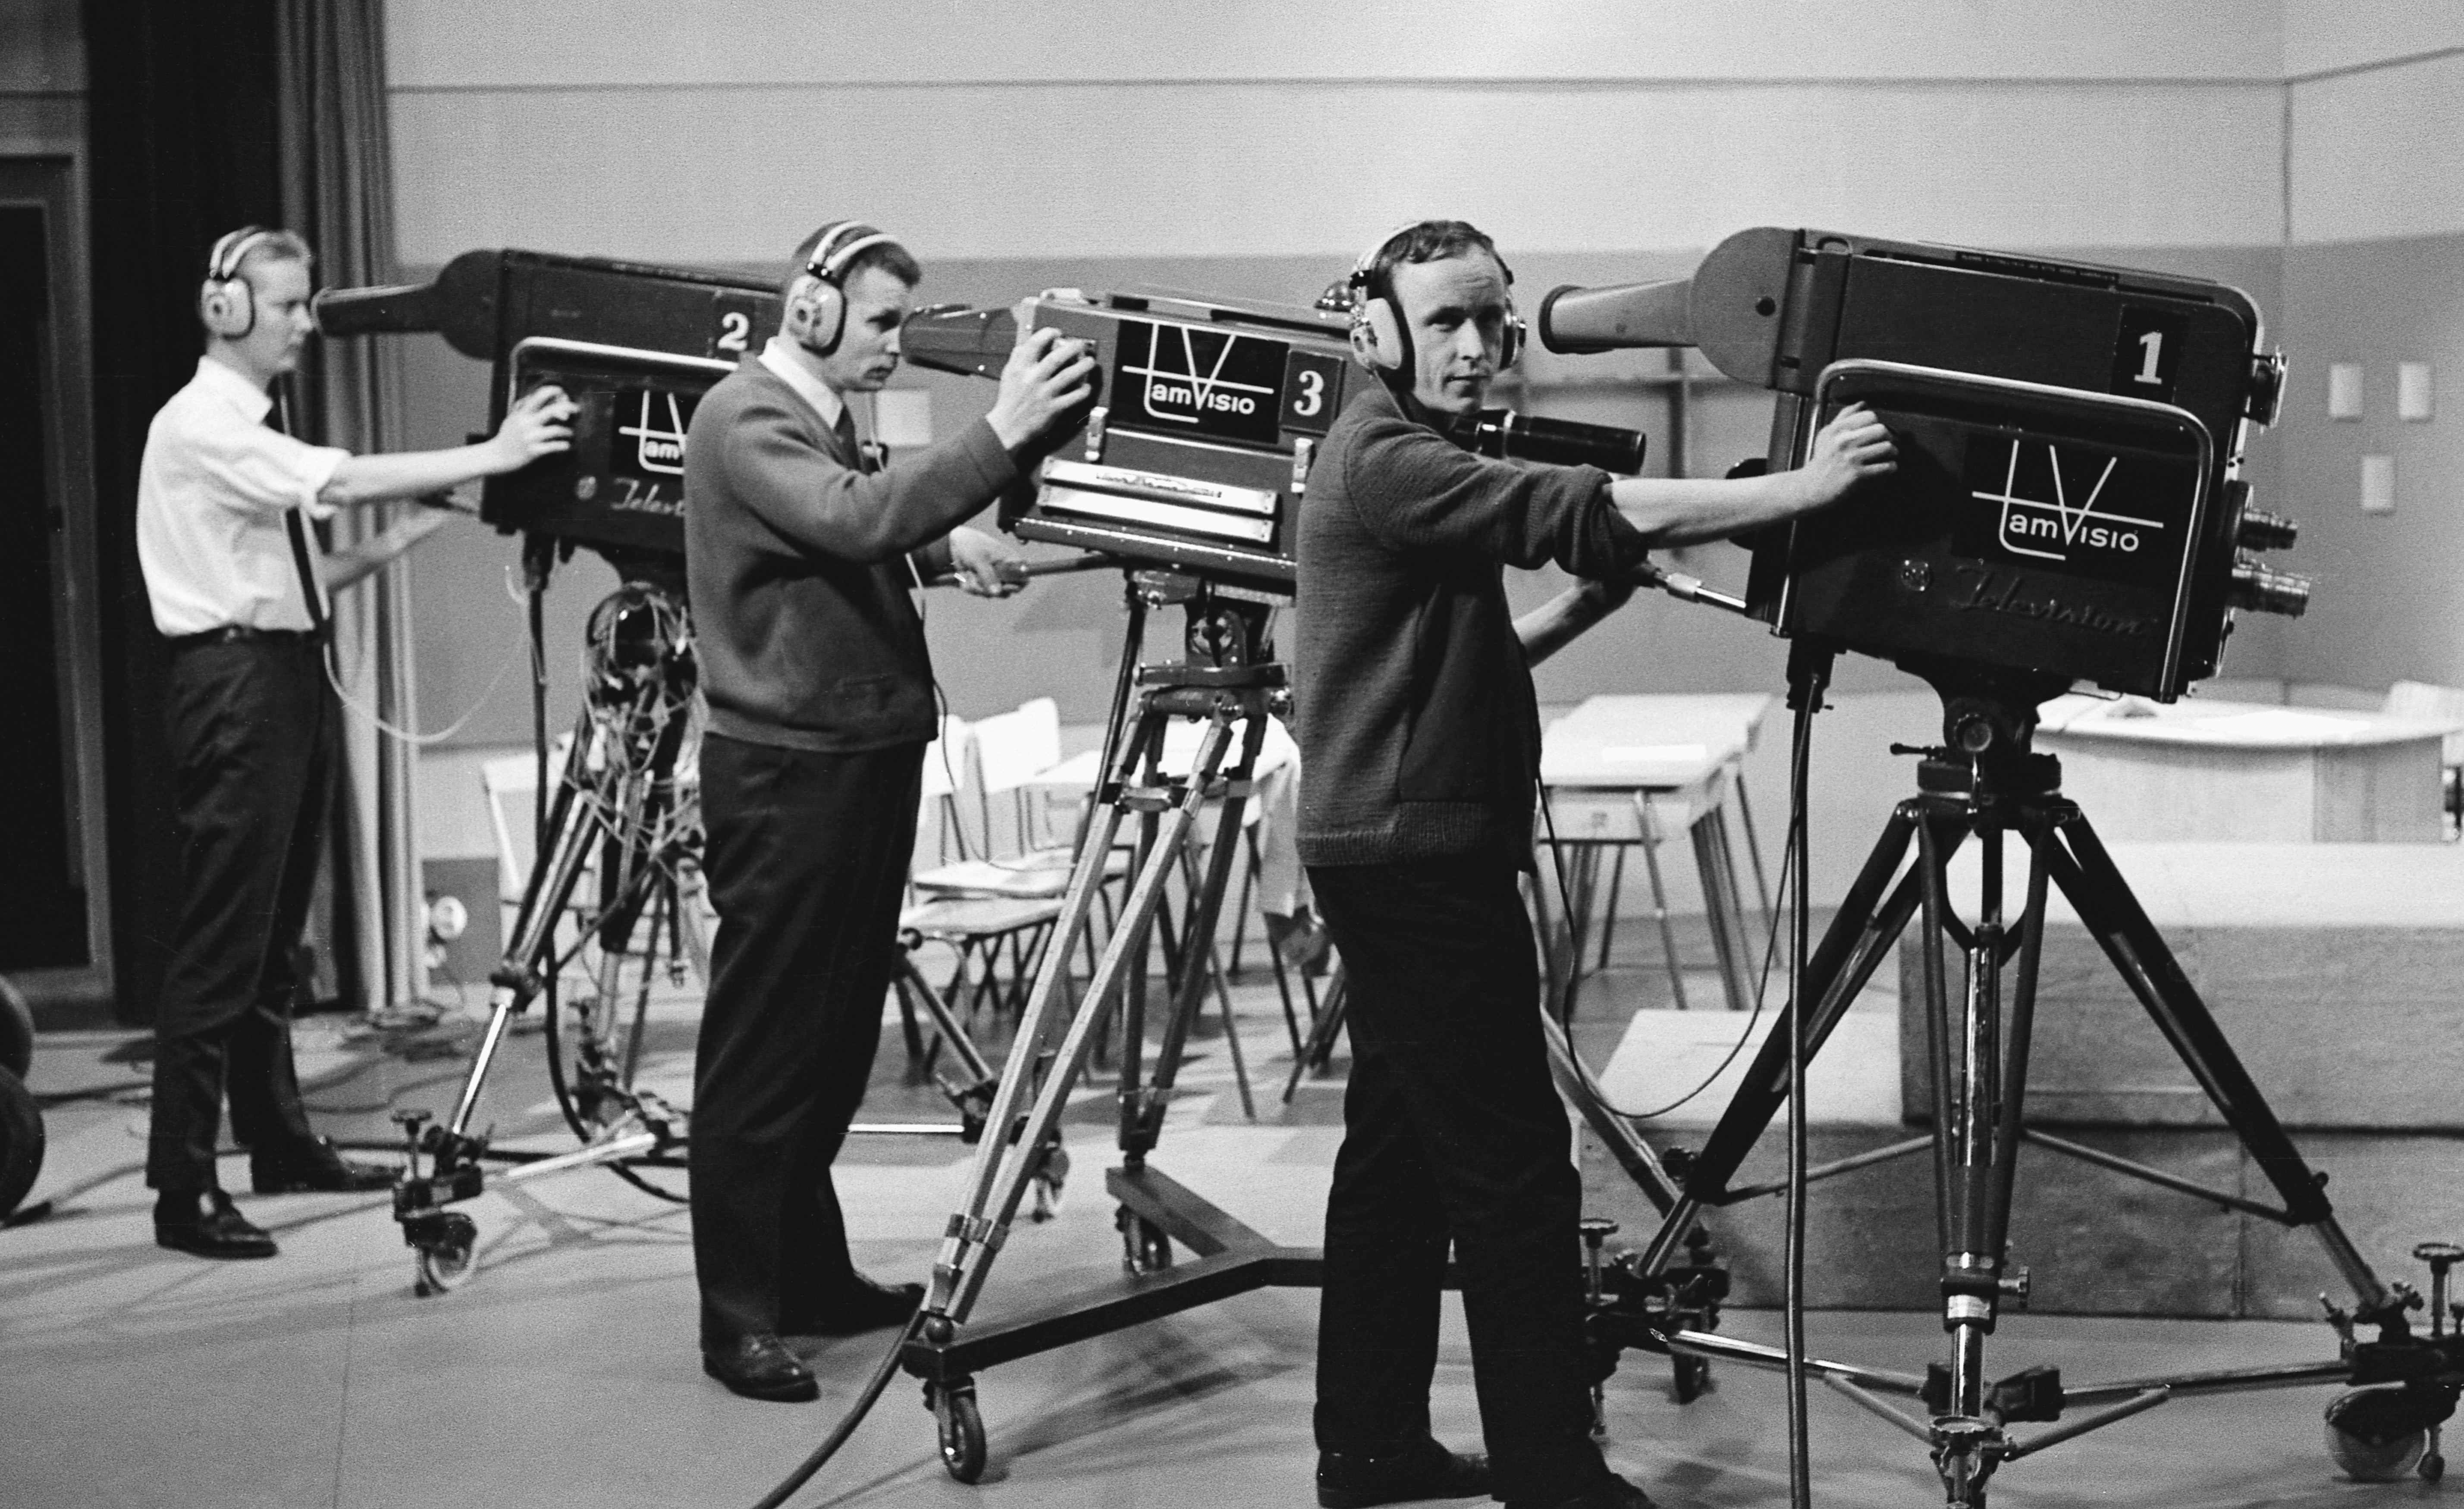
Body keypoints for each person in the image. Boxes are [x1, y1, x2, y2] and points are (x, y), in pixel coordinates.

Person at [1293, 220, 1895, 1509]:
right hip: (1416, 864)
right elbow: (1585, 506)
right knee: (1516, 1170)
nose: (1479, 344)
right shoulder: (1387, 456)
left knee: (1396, 1163)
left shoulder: (1406, 458)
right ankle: (1551, 1473)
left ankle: (1369, 1445)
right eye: (1447, 318)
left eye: (1493, 320)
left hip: (1394, 848)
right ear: (1376, 328)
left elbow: (1446, 663)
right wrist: (1801, 491)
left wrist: (1580, 606)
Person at [682, 220, 1094, 1402]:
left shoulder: (824, 420)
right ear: (810, 312)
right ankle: (738, 1316)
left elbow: (849, 537)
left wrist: (960, 526)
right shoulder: (746, 414)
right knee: (765, 1053)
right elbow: (856, 520)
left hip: (855, 756)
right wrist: (1002, 427)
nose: (893, 344)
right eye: (877, 321)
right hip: (788, 774)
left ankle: (807, 1278)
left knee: (831, 1046)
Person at [140, 226, 576, 1260]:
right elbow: (329, 484)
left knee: (273, 943)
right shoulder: (203, 423)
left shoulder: (252, 428)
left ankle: (280, 1142)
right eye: (287, 306)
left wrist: (414, 524)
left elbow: (301, 574)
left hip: (278, 673)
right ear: (226, 309)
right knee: (221, 949)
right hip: (233, 686)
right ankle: (181, 1186)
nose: (303, 324)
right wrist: (495, 451)